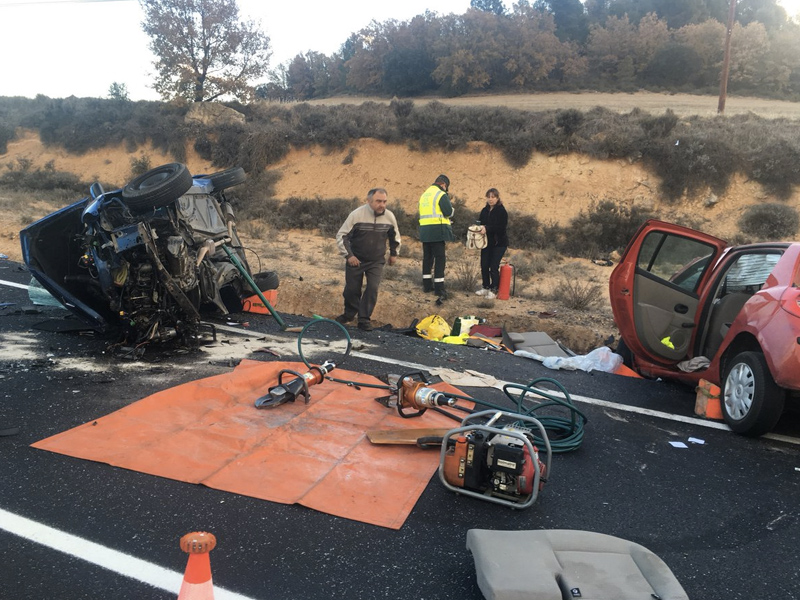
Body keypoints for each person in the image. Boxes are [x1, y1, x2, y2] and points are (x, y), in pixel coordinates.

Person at [335, 188, 401, 331]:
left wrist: (394, 254)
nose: (382, 205)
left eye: (384, 201)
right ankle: (349, 314)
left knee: (373, 288)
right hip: (356, 259)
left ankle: (364, 319)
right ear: (369, 201)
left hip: (376, 261)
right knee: (352, 290)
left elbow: (395, 236)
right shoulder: (356, 215)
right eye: (378, 201)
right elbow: (342, 236)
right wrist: (349, 256)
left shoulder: (389, 216)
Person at [418, 174, 454, 299]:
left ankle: (427, 285)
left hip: (424, 231)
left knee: (427, 258)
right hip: (437, 231)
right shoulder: (440, 194)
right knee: (440, 259)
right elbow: (448, 212)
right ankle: (439, 288)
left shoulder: (425, 194)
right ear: (444, 185)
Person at [475, 187, 508, 299]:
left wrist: (487, 228)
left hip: (499, 243)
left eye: (493, 197)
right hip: (486, 243)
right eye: (489, 197)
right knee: (484, 265)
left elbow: (501, 228)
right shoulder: (484, 210)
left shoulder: (502, 211)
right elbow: (481, 222)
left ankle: (494, 290)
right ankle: (485, 287)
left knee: (493, 267)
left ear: (497, 198)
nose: (490, 199)